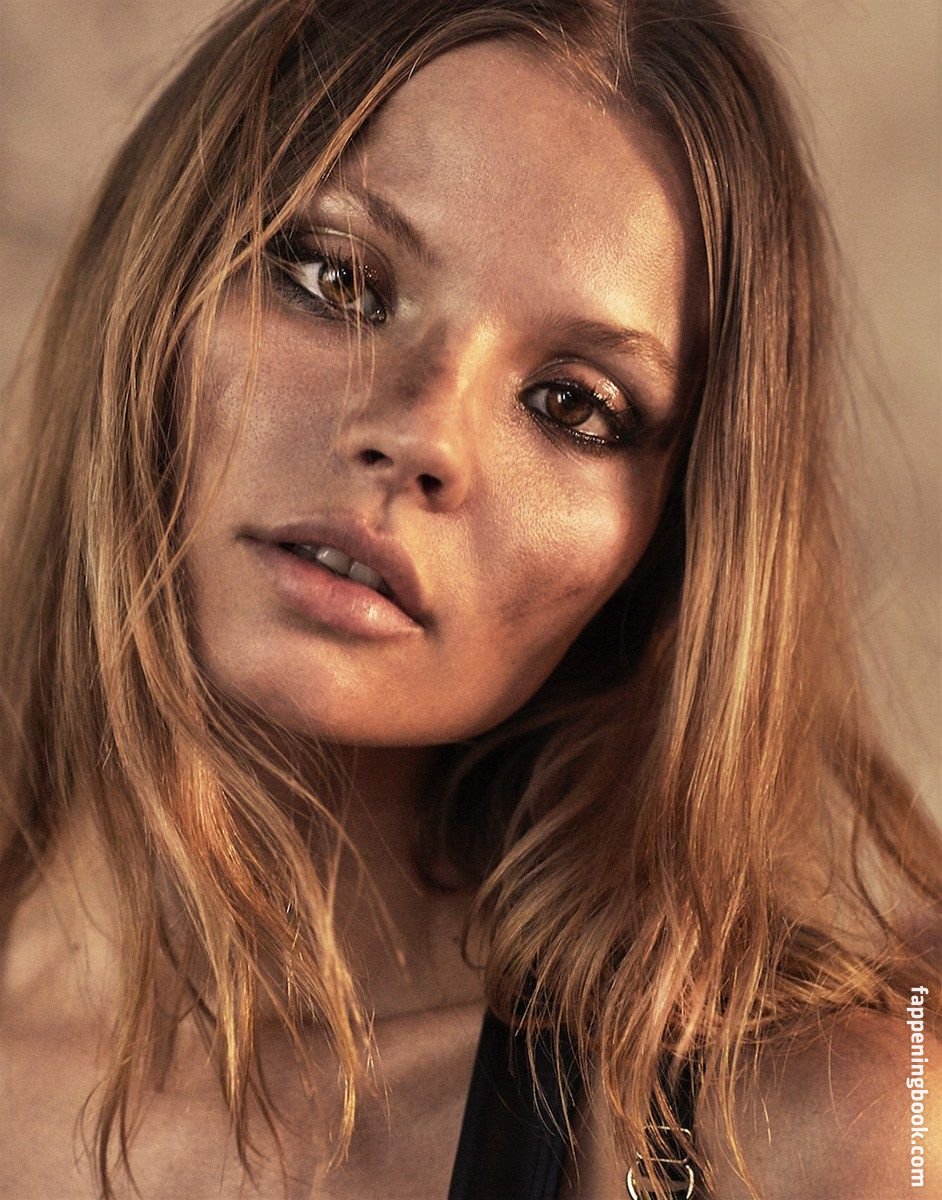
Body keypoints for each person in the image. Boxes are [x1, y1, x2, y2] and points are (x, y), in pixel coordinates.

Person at [0, 0, 939, 1197]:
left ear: (669, 544)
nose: (423, 435)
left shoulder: (785, 1137)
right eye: (336, 278)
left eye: (573, 405)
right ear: (153, 287)